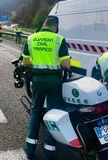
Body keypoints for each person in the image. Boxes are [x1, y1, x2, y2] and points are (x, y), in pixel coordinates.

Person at [22, 16, 71, 160]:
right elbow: (66, 65)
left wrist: (37, 62)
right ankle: (49, 151)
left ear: (44, 25)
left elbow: (25, 63)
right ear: (55, 26)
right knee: (53, 113)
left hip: (37, 80)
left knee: (36, 110)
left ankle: (30, 147)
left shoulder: (31, 38)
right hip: (54, 81)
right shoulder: (59, 39)